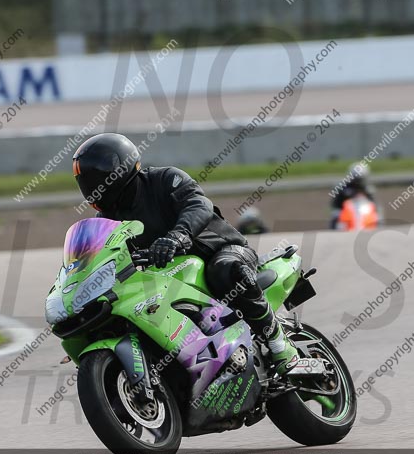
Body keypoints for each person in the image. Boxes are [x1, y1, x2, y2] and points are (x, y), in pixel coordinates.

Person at [72, 133, 298, 375]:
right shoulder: (105, 222)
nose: (91, 188)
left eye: (96, 180)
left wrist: (178, 236)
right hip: (169, 275)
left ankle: (280, 346)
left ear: (117, 172)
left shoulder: (165, 179)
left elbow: (198, 204)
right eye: (85, 181)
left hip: (220, 251)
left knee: (224, 270)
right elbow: (98, 259)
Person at [330, 161, 377, 229]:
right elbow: (336, 204)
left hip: (362, 211)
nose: (358, 182)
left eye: (360, 179)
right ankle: (334, 230)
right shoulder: (343, 188)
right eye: (356, 179)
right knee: (335, 215)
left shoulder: (368, 189)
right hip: (346, 212)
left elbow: (374, 203)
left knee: (377, 216)